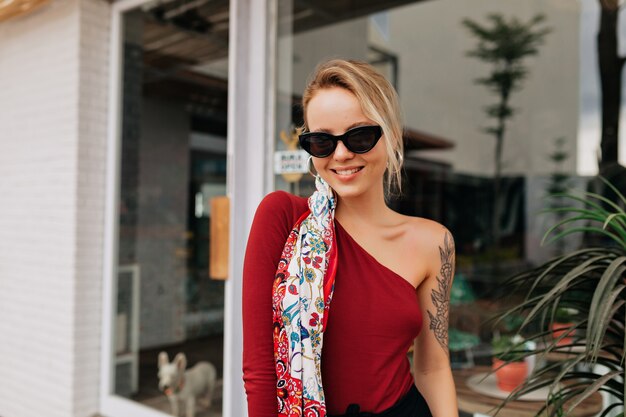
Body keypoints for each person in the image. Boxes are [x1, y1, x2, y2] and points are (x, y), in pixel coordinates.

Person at [242, 59, 458, 417]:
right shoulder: (284, 218)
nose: (341, 154)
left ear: (390, 135)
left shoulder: (434, 243)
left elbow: (433, 368)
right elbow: (261, 371)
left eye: (359, 136)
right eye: (322, 141)